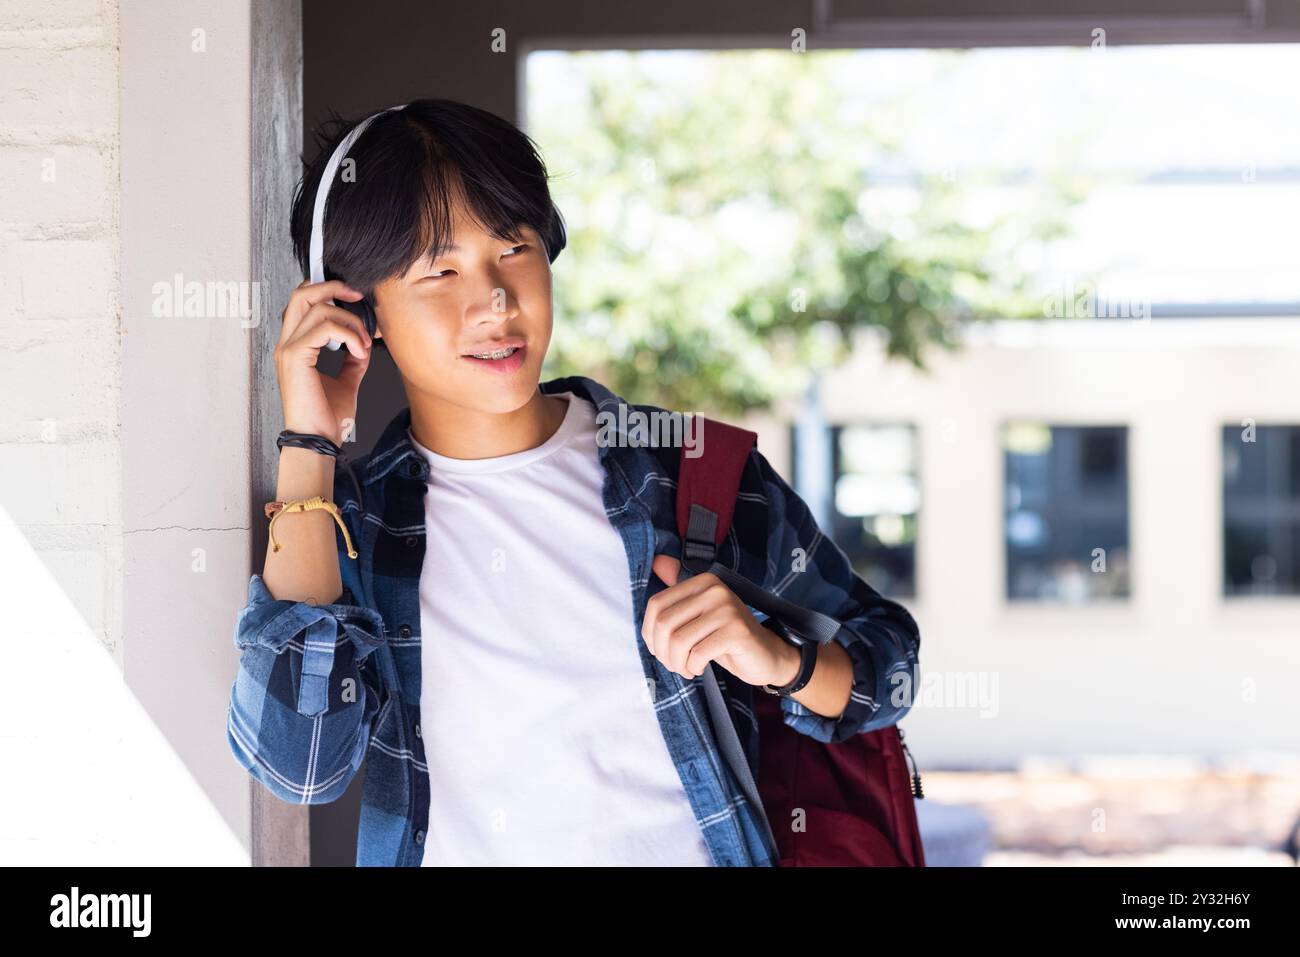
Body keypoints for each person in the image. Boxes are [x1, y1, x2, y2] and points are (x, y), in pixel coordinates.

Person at [226, 99, 921, 867]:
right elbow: (300, 765)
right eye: (440, 270)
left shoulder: (685, 470)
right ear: (363, 311)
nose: (494, 302)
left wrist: (776, 658)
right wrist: (309, 442)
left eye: (513, 249)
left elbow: (889, 668)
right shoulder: (353, 525)